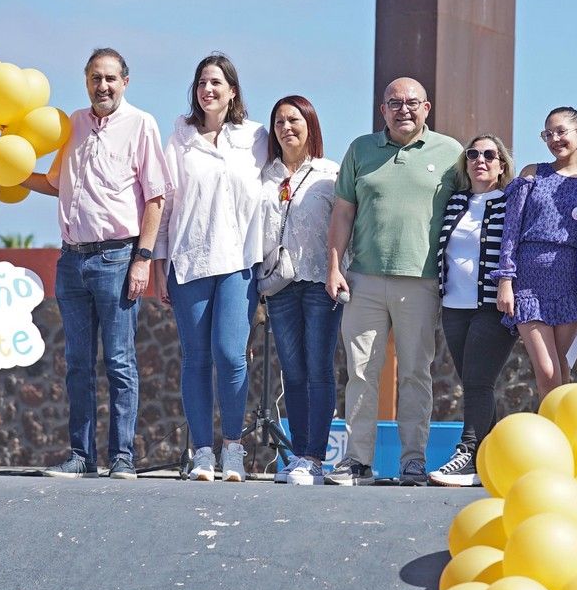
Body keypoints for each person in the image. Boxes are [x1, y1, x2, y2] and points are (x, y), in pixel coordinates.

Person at [25, 48, 165, 481]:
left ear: (125, 81)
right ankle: (80, 456)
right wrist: (1, 171)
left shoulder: (142, 124)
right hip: (72, 260)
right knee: (77, 364)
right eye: (94, 79)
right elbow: (55, 183)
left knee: (119, 362)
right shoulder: (72, 125)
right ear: (85, 82)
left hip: (118, 258)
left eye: (109, 78)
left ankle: (122, 457)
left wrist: (142, 259)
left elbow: (156, 197)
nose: (101, 86)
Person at [324, 77, 460, 486]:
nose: (404, 109)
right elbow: (343, 213)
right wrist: (334, 266)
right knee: (361, 371)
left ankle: (413, 460)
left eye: (412, 103)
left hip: (422, 282)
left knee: (416, 373)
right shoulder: (361, 150)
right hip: (363, 279)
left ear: (427, 107)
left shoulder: (451, 153)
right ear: (382, 109)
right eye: (394, 103)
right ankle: (358, 461)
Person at [153, 53, 268, 482]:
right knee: (195, 358)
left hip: (238, 261)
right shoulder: (180, 135)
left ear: (232, 91)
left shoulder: (255, 136)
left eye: (217, 82)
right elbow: (165, 201)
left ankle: (233, 448)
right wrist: (159, 261)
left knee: (230, 354)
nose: (208, 89)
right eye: (202, 82)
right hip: (189, 259)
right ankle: (203, 451)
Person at [259, 95, 341, 486]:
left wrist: (339, 271)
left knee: (318, 369)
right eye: (279, 122)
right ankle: (297, 455)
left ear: (310, 124)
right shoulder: (265, 175)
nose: (286, 128)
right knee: (291, 371)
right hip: (279, 284)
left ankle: (315, 457)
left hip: (319, 281)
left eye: (294, 120)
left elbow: (346, 227)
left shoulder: (330, 173)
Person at [429, 134, 518, 487]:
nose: (480, 160)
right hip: (454, 306)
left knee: (479, 382)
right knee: (475, 383)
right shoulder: (455, 202)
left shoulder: (511, 202)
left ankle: (467, 454)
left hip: (492, 306)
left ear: (501, 164)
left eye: (489, 155)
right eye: (473, 154)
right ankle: (492, 462)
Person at [494, 107, 577, 399]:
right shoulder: (532, 174)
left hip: (570, 283)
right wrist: (505, 279)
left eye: (561, 131)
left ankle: (560, 434)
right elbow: (510, 229)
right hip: (529, 282)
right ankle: (549, 435)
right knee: (547, 370)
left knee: (561, 368)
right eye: (547, 134)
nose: (554, 139)